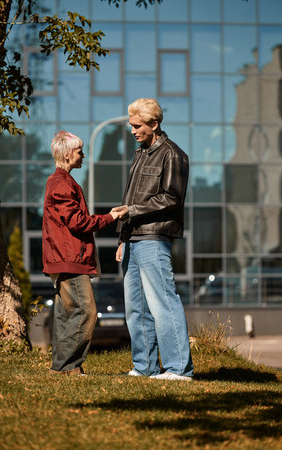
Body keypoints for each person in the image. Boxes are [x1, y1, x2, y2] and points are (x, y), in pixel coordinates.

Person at [114, 98, 194, 380]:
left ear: (154, 124)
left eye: (137, 126)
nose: (132, 130)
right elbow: (130, 199)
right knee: (136, 308)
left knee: (163, 303)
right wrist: (123, 238)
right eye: (131, 125)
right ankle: (144, 366)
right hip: (133, 239)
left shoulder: (173, 155)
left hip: (155, 238)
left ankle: (178, 369)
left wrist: (132, 211)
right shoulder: (140, 154)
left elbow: (172, 198)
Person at [42, 131, 127, 376]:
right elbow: (78, 223)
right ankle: (68, 366)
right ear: (68, 155)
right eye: (79, 151)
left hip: (64, 259)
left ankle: (61, 367)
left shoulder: (60, 181)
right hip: (69, 260)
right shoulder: (61, 184)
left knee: (66, 314)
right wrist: (110, 217)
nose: (83, 155)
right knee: (86, 312)